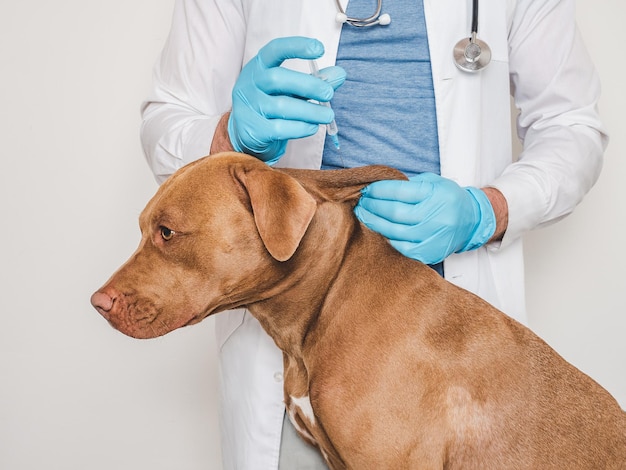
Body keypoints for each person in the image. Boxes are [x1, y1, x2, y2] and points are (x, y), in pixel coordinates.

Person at [140, 0, 607, 468]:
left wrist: (487, 210)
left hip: (449, 325)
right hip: (289, 324)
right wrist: (229, 134)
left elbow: (570, 126)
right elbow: (169, 115)